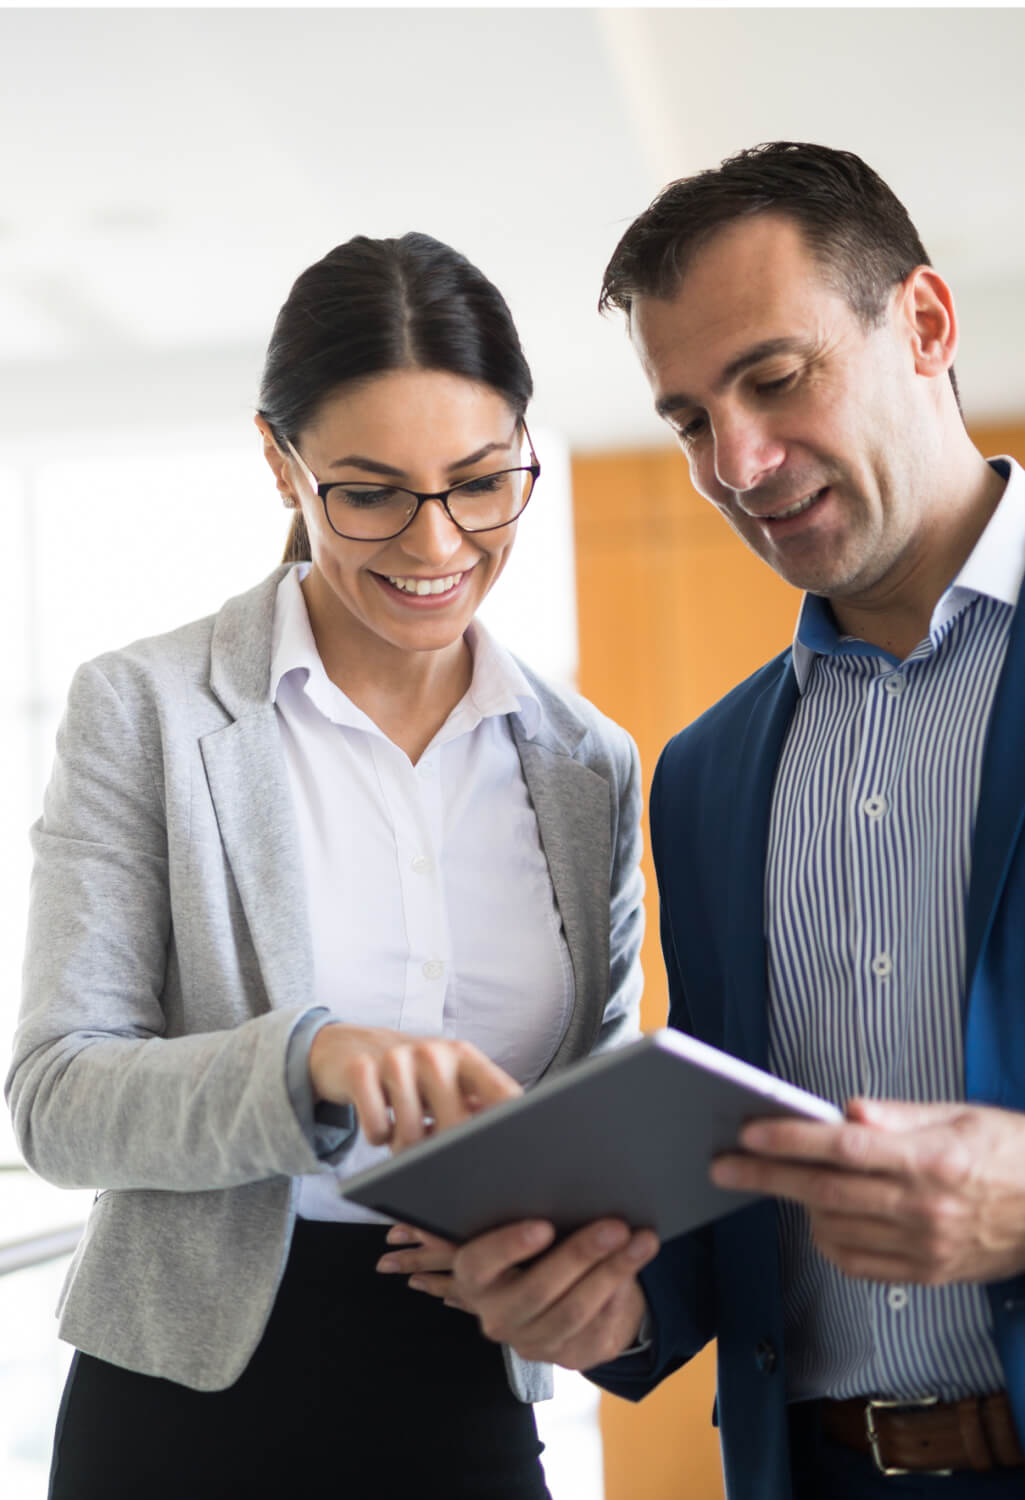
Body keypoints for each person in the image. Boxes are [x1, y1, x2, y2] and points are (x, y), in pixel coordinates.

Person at [400, 144, 1025, 1499]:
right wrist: (606, 1306)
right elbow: (739, 1175)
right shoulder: (705, 772)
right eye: (689, 418)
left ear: (923, 324)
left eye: (775, 378)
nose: (736, 461)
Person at [5, 231, 645, 1499]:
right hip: (185, 1396)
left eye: (479, 481)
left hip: (471, 1379)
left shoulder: (588, 766)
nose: (435, 543)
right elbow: (57, 1101)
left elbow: (589, 1105)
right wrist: (309, 1059)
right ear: (278, 464)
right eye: (369, 492)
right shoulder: (148, 710)